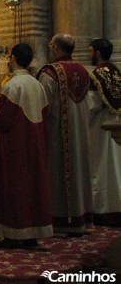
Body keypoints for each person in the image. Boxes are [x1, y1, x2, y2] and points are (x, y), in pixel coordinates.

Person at [0, 43, 53, 248]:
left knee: (14, 187)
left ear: (14, 58)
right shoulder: (37, 84)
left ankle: (13, 234)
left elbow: (2, 123)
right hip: (35, 144)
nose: (8, 60)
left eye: (9, 56)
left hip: (15, 147)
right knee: (32, 187)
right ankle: (32, 233)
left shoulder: (12, 86)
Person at [37, 33, 93, 236]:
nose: (51, 48)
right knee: (79, 172)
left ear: (57, 48)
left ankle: (60, 221)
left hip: (57, 136)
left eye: (52, 45)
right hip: (81, 135)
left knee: (58, 174)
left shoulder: (50, 73)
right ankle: (81, 219)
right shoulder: (84, 71)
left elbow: (42, 106)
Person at [87, 38, 121, 226]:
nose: (89, 55)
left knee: (101, 166)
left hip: (102, 127)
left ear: (98, 53)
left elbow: (91, 105)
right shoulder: (116, 72)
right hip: (117, 126)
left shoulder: (97, 75)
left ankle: (102, 209)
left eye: (91, 51)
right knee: (116, 166)